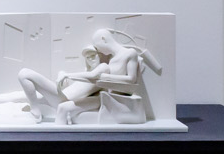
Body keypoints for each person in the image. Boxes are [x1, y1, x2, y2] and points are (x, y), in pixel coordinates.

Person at [18, 28, 164, 124]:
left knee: (25, 74)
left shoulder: (128, 54)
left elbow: (132, 80)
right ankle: (36, 110)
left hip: (92, 97)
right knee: (24, 87)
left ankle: (36, 111)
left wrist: (102, 78)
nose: (99, 51)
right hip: (83, 93)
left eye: (97, 48)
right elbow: (93, 77)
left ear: (103, 39)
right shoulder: (111, 61)